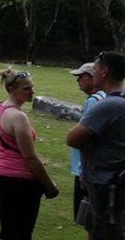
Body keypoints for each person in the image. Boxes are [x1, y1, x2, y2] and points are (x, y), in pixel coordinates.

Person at [0, 68, 59, 240]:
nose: (32, 92)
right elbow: (30, 158)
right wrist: (50, 186)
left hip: (0, 176)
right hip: (20, 181)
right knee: (21, 232)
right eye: (26, 89)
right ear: (11, 90)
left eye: (32, 87)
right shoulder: (18, 117)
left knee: (8, 229)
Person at [67, 52, 125, 240]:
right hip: (115, 181)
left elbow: (72, 139)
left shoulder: (108, 106)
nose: (92, 73)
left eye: (95, 69)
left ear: (104, 72)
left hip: (105, 183)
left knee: (103, 232)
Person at [69, 62, 107, 238]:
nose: (78, 81)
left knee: (90, 218)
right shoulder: (106, 98)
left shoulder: (93, 102)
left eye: (81, 77)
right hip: (99, 167)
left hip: (86, 168)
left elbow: (85, 139)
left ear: (93, 77)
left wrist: (83, 171)